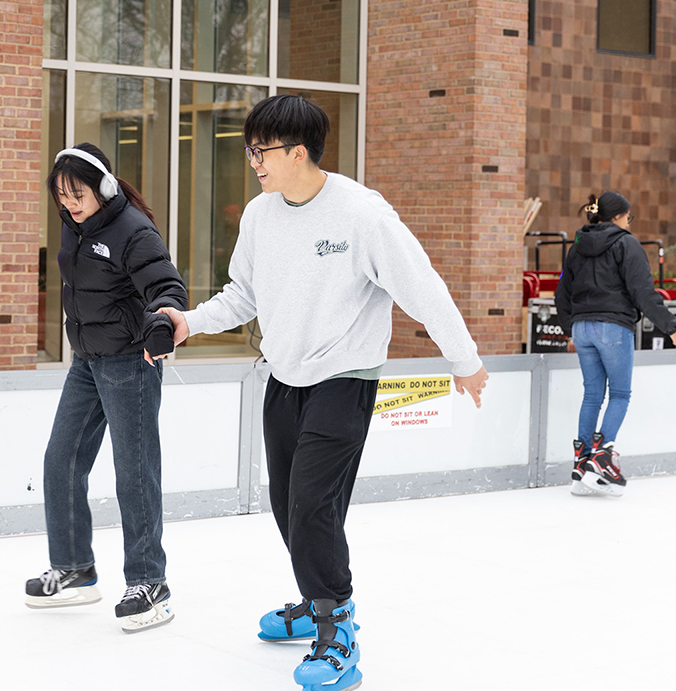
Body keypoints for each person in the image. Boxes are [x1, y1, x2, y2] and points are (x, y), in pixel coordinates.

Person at [157, 95, 488, 691]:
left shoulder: (362, 215)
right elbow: (243, 294)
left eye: (261, 150)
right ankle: (316, 600)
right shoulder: (261, 215)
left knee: (312, 503)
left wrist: (464, 360)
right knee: (289, 506)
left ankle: (337, 627)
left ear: (298, 151)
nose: (253, 161)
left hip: (346, 378)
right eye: (251, 149)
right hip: (284, 378)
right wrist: (189, 322)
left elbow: (422, 286)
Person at [24, 143, 188, 634]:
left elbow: (166, 284)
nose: (70, 203)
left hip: (131, 361)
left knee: (134, 472)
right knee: (62, 459)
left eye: (78, 193)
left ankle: (149, 582)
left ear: (105, 188)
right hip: (88, 360)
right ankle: (75, 568)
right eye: (61, 195)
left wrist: (162, 320)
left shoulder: (132, 230)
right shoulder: (75, 227)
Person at [555, 192, 676, 498]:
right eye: (629, 217)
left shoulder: (577, 249)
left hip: (582, 328)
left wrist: (571, 330)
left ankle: (581, 464)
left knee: (592, 396)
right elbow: (644, 292)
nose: (630, 223)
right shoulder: (626, 244)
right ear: (617, 217)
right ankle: (601, 460)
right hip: (613, 327)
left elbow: (562, 295)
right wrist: (672, 328)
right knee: (620, 394)